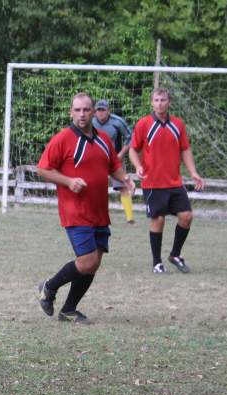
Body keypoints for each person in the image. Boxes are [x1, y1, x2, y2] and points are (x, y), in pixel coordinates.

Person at [36, 92, 135, 324]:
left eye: (86, 110)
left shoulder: (103, 139)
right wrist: (69, 182)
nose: (82, 114)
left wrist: (126, 179)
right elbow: (43, 170)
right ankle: (48, 288)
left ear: (93, 112)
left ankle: (69, 310)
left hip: (99, 211)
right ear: (71, 112)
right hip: (75, 211)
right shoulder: (63, 139)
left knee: (93, 264)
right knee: (88, 262)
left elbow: (114, 165)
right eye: (77, 110)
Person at [128, 88, 204, 274]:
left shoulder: (178, 124)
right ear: (151, 102)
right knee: (158, 220)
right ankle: (157, 263)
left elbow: (185, 149)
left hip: (175, 182)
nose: (160, 103)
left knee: (186, 216)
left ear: (169, 102)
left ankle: (175, 255)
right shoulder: (144, 124)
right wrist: (138, 166)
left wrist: (193, 172)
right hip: (153, 183)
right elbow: (132, 149)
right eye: (156, 100)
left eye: (163, 100)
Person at [92, 99, 135, 223]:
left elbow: (130, 138)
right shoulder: (91, 121)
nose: (100, 113)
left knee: (123, 187)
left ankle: (129, 217)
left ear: (108, 111)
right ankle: (96, 215)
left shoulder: (118, 122)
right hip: (96, 159)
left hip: (115, 159)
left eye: (103, 110)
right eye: (98, 110)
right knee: (94, 187)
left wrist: (120, 154)